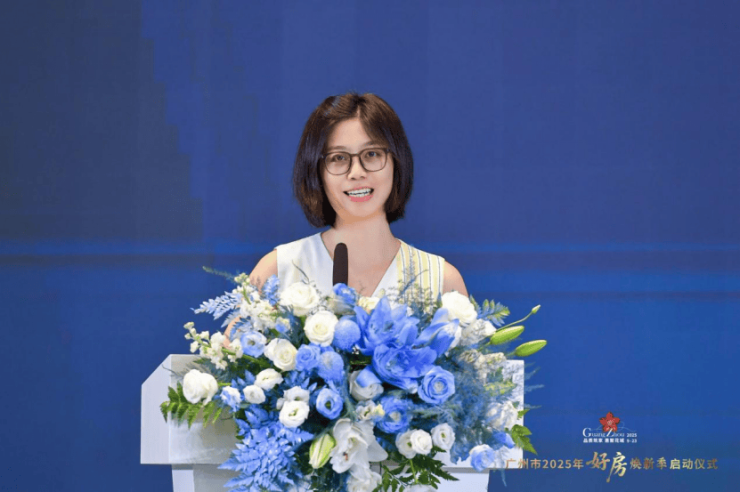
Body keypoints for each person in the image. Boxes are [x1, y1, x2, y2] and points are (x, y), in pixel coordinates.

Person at [226, 92, 467, 340]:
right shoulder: (278, 271)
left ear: (397, 162)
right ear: (316, 171)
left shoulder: (441, 281)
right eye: (338, 158)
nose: (356, 172)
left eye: (372, 154)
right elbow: (233, 356)